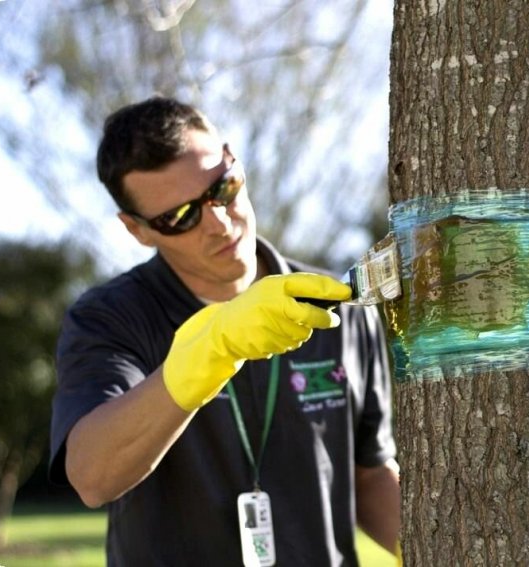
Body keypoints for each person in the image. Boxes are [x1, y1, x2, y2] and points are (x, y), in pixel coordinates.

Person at [49, 96, 400, 566]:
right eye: (179, 217)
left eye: (223, 188)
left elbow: (370, 476)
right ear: (137, 230)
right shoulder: (108, 318)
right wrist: (209, 351)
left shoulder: (338, 304)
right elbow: (92, 475)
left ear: (235, 163)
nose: (217, 223)